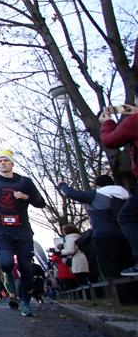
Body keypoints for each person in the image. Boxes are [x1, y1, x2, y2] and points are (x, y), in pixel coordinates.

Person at [0, 150, 46, 316]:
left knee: (26, 268)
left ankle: (25, 302)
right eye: (0, 161)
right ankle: (8, 275)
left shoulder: (24, 182)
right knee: (6, 263)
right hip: (0, 230)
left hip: (22, 229)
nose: (3, 163)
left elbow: (41, 203)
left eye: (6, 160)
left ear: (12, 163)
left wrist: (26, 197)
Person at [58, 175, 133, 280]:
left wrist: (62, 184)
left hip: (104, 236)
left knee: (113, 271)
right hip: (126, 234)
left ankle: (122, 294)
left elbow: (71, 193)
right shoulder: (127, 194)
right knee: (130, 266)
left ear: (98, 185)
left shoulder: (97, 194)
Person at [99, 104, 138, 276]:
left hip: (105, 234)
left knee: (128, 217)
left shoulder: (134, 122)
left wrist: (107, 122)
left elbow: (110, 140)